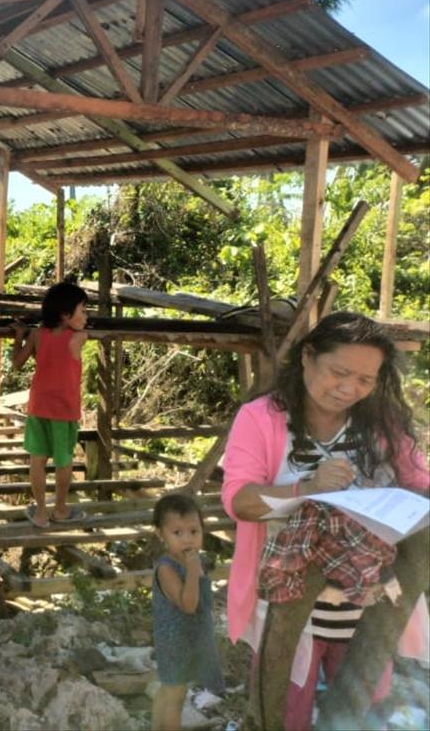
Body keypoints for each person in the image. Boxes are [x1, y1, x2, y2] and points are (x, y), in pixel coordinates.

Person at [220, 311, 430, 731]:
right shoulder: (262, 418)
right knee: (283, 712)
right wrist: (306, 489)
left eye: (365, 379)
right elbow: (239, 501)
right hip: (288, 603)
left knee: (356, 715)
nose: (349, 389)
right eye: (339, 372)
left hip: (369, 605)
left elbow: (419, 485)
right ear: (308, 356)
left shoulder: (383, 422)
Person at [11, 281, 89, 528]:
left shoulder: (37, 335)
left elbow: (17, 363)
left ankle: (41, 513)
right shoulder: (79, 337)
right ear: (65, 315)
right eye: (83, 310)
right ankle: (61, 510)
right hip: (64, 409)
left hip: (38, 406)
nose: (86, 316)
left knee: (37, 459)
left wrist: (19, 336)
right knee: (63, 459)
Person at [151, 493, 225, 731]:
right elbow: (188, 605)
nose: (187, 540)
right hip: (174, 643)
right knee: (175, 696)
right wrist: (194, 571)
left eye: (194, 531)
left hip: (191, 639)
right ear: (161, 534)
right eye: (177, 533)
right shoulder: (166, 568)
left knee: (169, 690)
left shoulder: (193, 562)